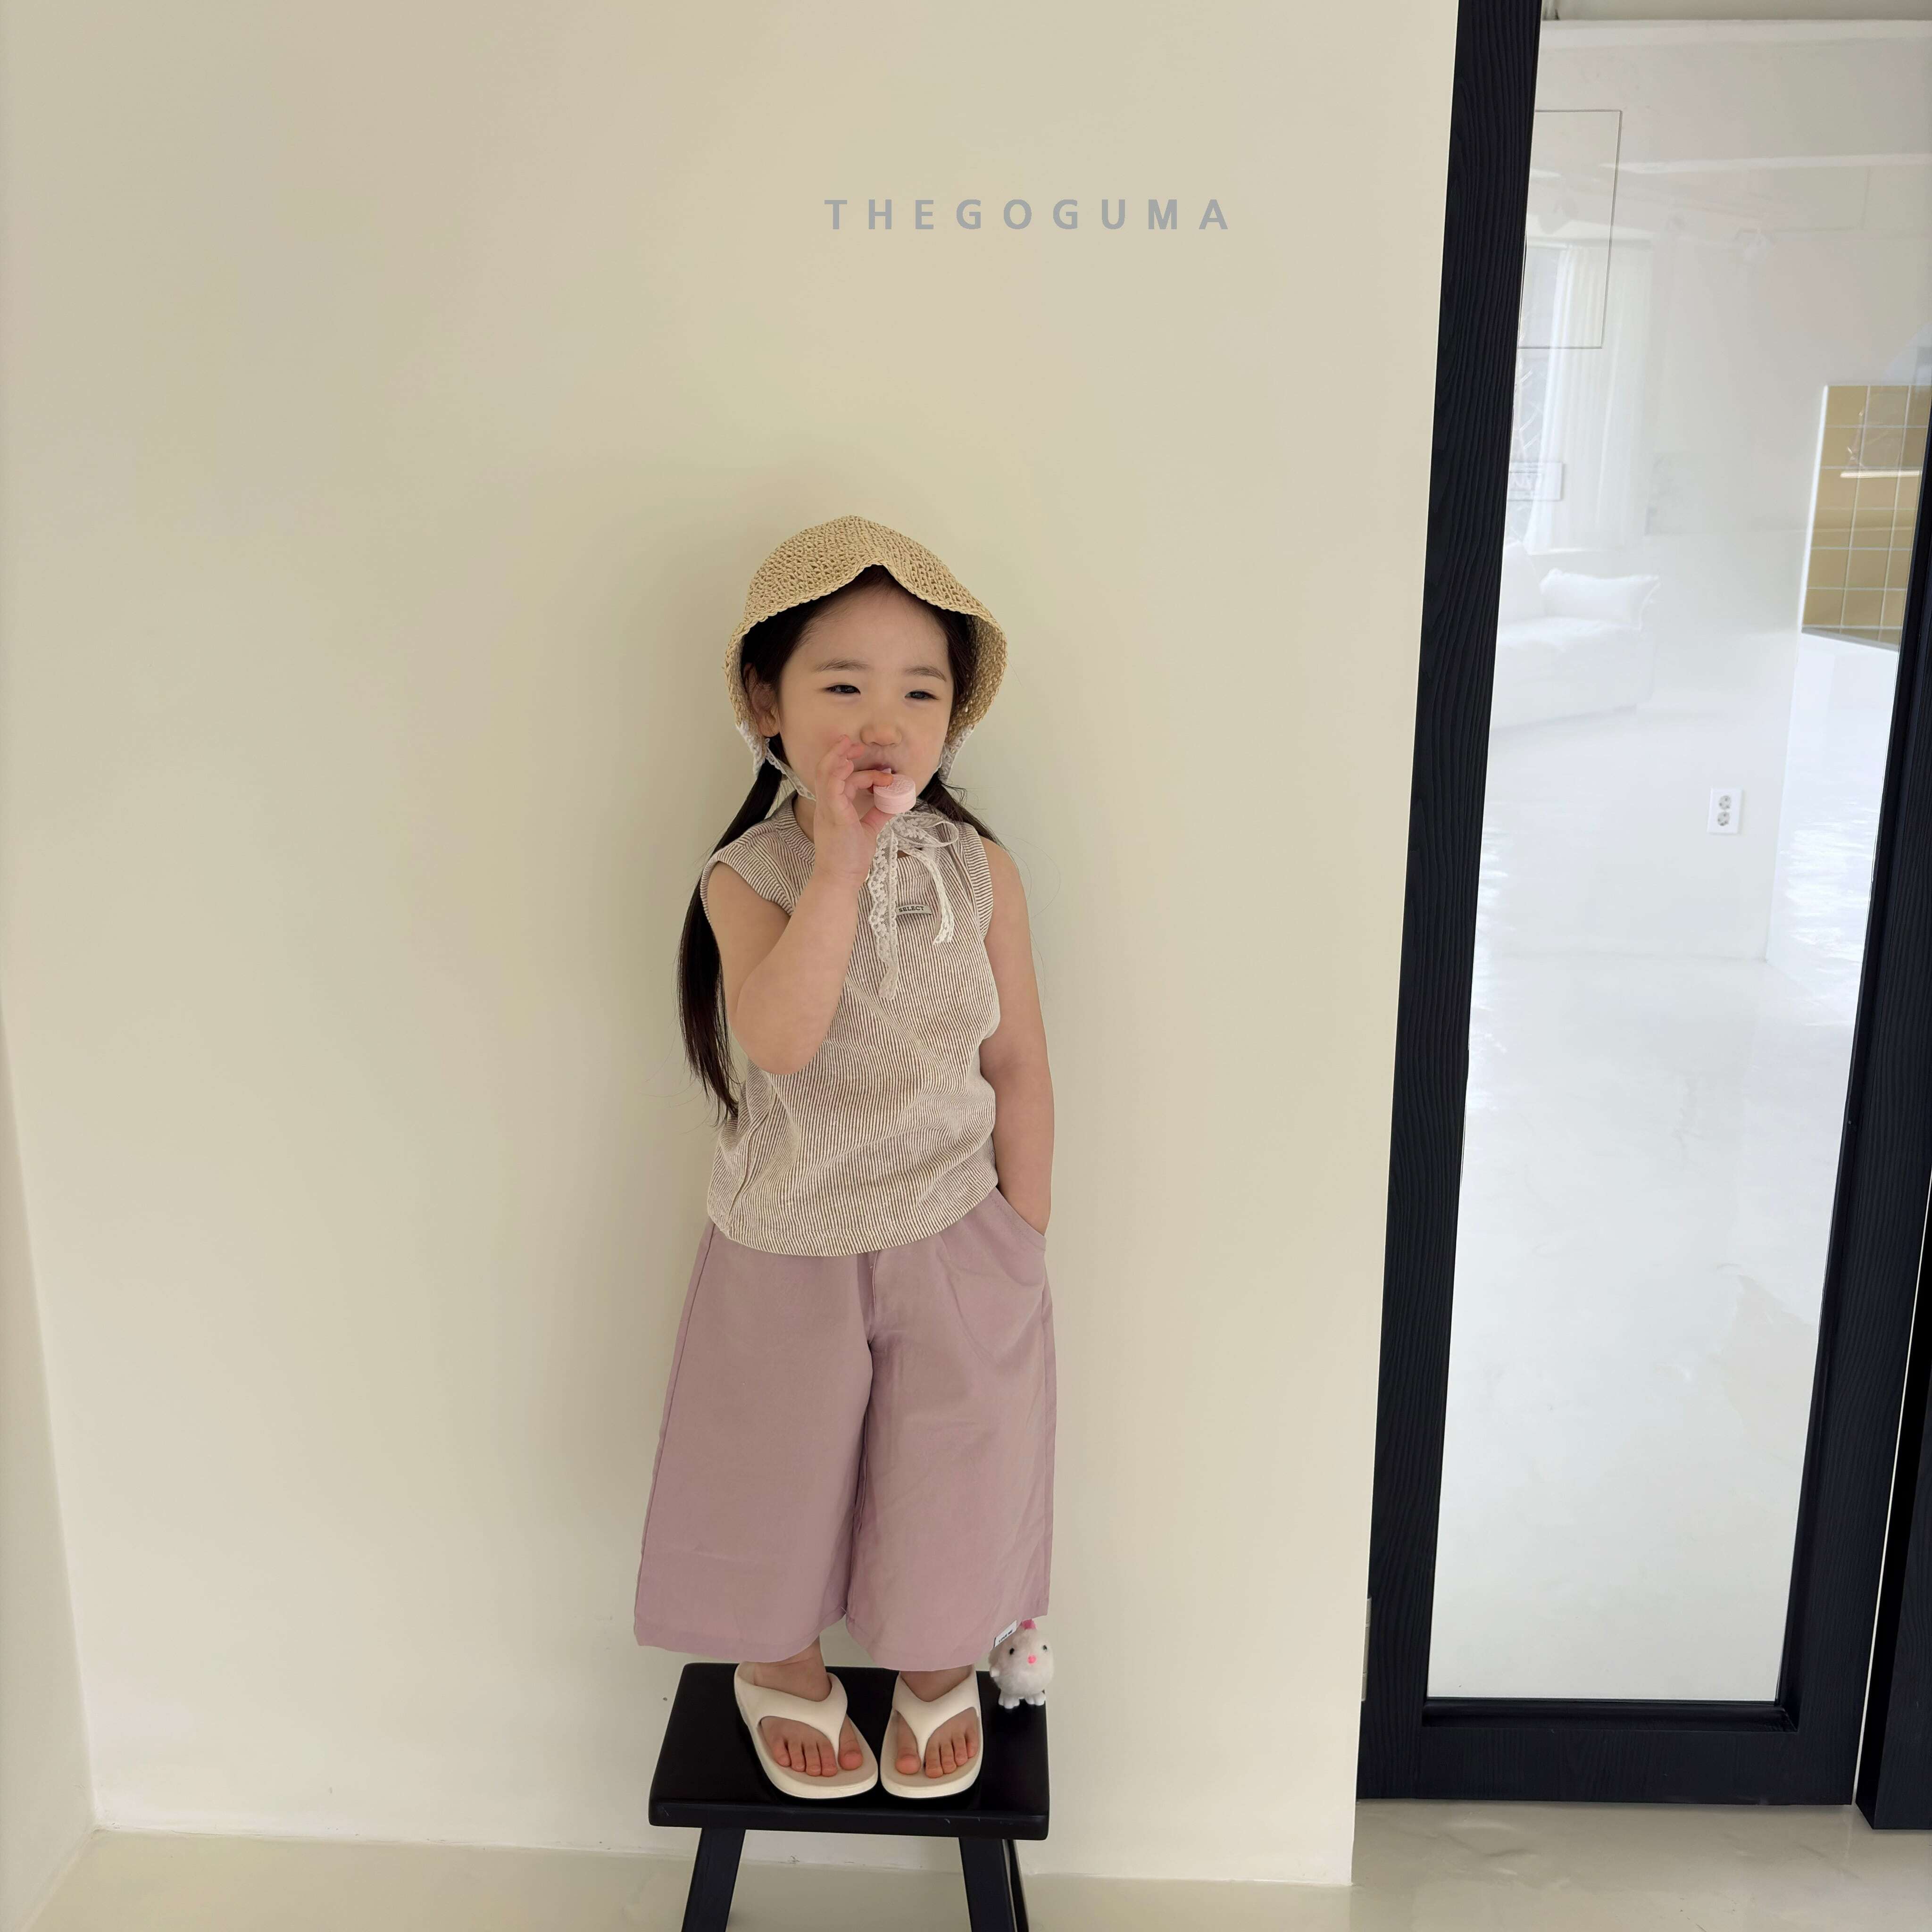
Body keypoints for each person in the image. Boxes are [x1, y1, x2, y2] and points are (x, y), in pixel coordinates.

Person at [633, 514, 1055, 1802]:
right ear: (768, 705)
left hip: (956, 1229)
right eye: (842, 687)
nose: (883, 721)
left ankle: (940, 1659)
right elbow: (781, 1038)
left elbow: (1019, 1063)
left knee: (955, 1459)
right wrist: (837, 865)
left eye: (919, 692)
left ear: (952, 720)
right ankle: (779, 1659)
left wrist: (1021, 1236)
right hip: (786, 1240)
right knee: (773, 1464)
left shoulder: (981, 871)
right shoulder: (750, 875)